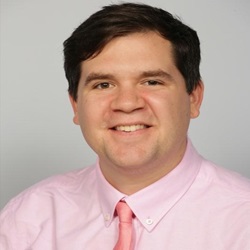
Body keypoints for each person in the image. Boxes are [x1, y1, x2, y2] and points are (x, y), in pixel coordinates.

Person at [1, 2, 250, 249]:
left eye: (152, 81)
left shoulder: (242, 222)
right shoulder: (26, 221)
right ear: (76, 105)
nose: (127, 103)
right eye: (103, 85)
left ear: (194, 98)